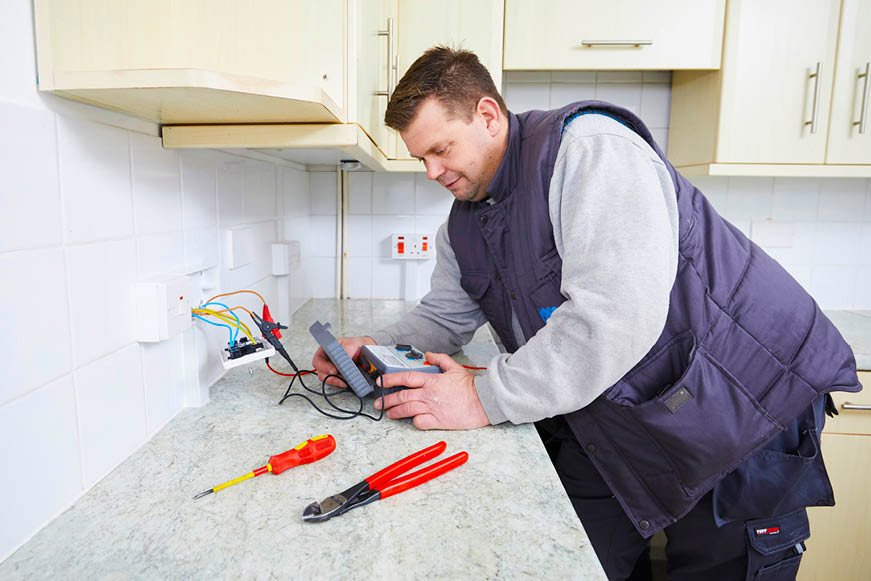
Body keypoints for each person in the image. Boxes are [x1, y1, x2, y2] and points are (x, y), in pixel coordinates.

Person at [311, 47, 861, 580]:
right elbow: (446, 318)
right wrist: (372, 346)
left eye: (441, 149)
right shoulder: (465, 224)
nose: (431, 171)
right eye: (420, 158)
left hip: (742, 401)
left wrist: (482, 396)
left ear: (487, 114)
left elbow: (612, 319)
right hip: (639, 409)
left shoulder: (590, 150)